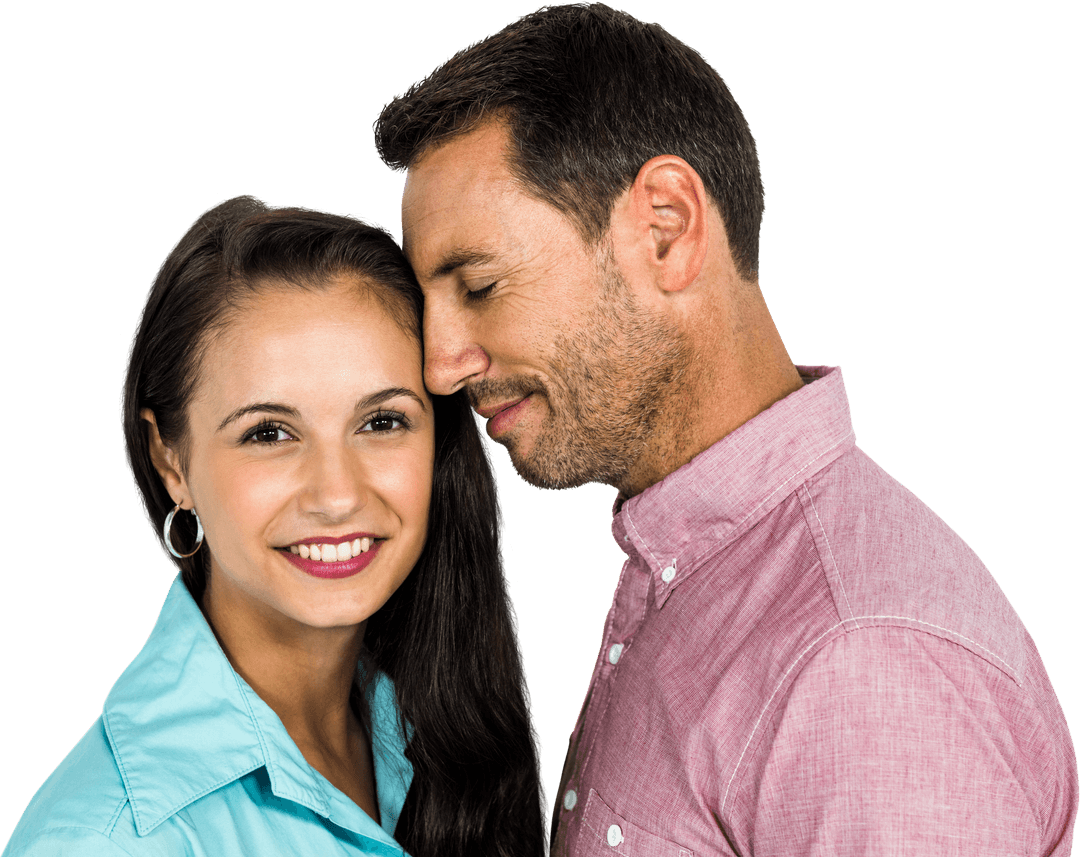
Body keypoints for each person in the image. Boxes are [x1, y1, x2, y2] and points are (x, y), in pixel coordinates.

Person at [373, 4, 1079, 855]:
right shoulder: (700, 566)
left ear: (666, 230)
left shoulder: (860, 662)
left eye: (479, 285)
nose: (440, 364)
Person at [2, 196, 547, 857]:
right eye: (268, 432)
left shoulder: (432, 727)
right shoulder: (105, 843)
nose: (337, 493)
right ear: (170, 460)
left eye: (382, 421)